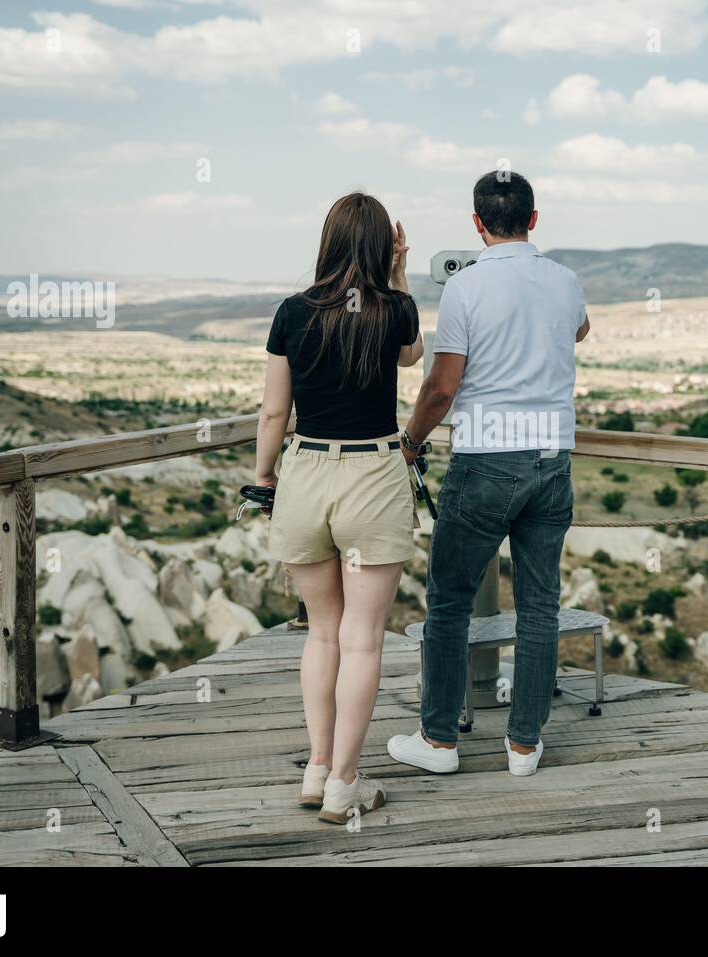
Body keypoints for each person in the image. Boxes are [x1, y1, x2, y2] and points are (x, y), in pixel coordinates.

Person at [387, 171, 590, 777]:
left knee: (449, 602)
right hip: (552, 461)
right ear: (535, 218)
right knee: (539, 605)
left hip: (486, 462)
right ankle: (524, 745)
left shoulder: (466, 288)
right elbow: (579, 328)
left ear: (477, 224)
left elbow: (442, 385)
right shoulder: (566, 280)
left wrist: (411, 440)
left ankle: (441, 742)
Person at [255, 192, 423, 823]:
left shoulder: (291, 313)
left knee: (321, 632)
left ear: (325, 241)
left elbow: (274, 411)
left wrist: (263, 476)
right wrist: (398, 278)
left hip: (305, 474)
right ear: (383, 246)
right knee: (363, 641)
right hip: (373, 477)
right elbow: (412, 356)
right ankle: (344, 785)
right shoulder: (393, 310)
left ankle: (317, 766)